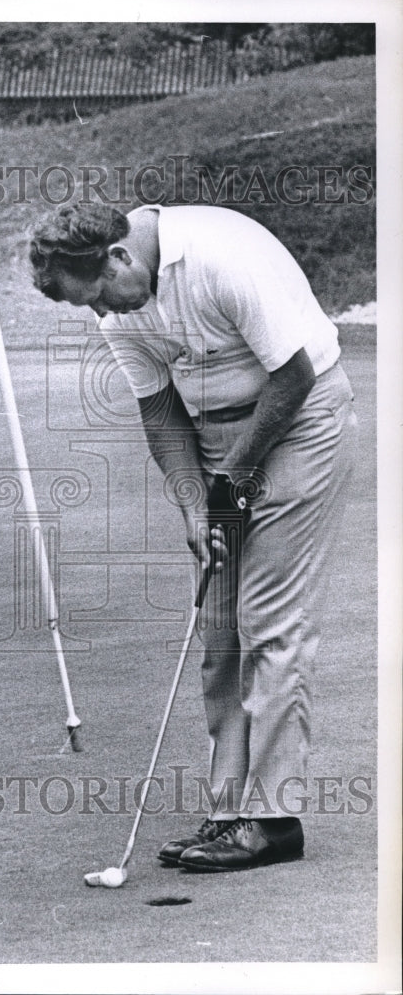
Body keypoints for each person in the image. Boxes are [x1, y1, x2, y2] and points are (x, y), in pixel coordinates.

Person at [29, 201, 357, 871]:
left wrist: (230, 479)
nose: (103, 315)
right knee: (218, 629)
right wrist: (192, 505)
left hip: (302, 419)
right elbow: (159, 407)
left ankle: (272, 819)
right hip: (214, 435)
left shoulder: (219, 259)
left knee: (269, 618)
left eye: (97, 297)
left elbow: (292, 376)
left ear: (119, 257)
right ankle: (229, 812)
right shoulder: (116, 302)